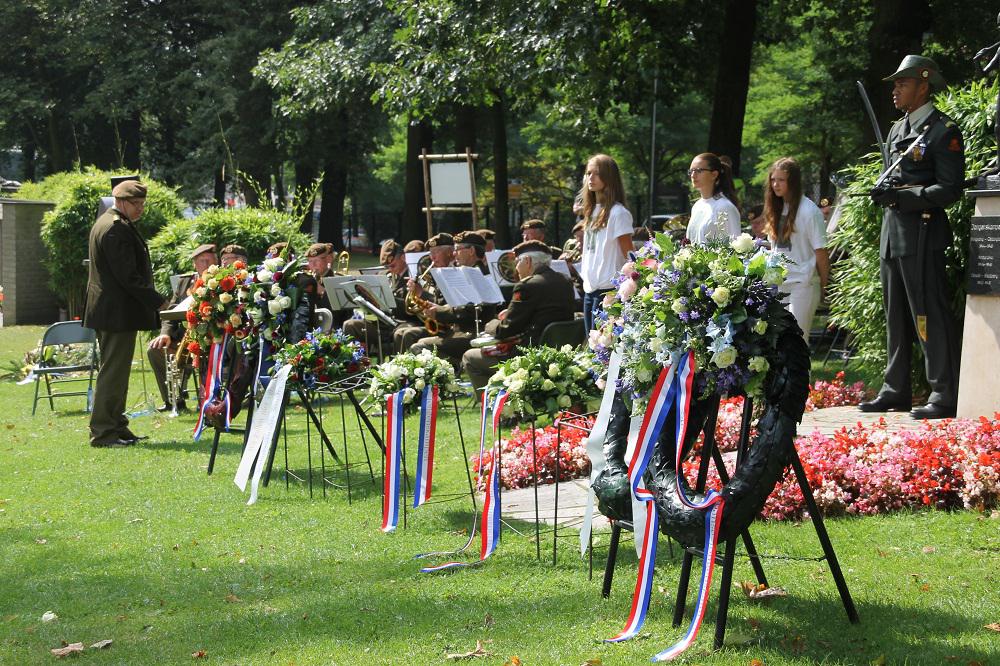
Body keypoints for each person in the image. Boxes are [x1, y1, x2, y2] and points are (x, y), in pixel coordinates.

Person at [859, 55, 964, 420]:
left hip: (922, 232)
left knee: (927, 313)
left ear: (923, 84)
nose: (895, 89)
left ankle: (944, 392)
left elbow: (950, 189)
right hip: (894, 233)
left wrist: (906, 197)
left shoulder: (942, 130)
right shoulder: (898, 130)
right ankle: (895, 389)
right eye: (895, 83)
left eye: (902, 83)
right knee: (896, 315)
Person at [83, 180, 168, 447]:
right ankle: (104, 432)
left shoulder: (111, 223)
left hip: (114, 312)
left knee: (117, 373)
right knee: (114, 373)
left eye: (143, 203)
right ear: (120, 201)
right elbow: (128, 277)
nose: (141, 208)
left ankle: (117, 426)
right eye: (136, 203)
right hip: (115, 313)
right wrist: (159, 302)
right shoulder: (114, 228)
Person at [462, 240, 577, 390]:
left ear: (527, 261)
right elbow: (543, 314)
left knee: (470, 357)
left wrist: (493, 323)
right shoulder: (565, 281)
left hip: (529, 356)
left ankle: (498, 409)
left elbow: (505, 330)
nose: (516, 268)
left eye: (517, 262)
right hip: (559, 355)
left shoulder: (528, 285)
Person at [761, 157, 830, 341]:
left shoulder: (810, 211)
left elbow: (821, 252)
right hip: (778, 283)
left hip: (803, 284)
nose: (775, 184)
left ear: (793, 181)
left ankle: (803, 372)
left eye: (781, 180)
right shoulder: (775, 208)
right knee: (779, 341)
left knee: (798, 341)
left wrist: (825, 285)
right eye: (773, 179)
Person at [146, 243, 219, 412]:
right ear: (194, 264)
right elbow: (171, 312)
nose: (207, 265)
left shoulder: (220, 281)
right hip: (186, 337)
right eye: (202, 261)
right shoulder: (186, 282)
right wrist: (165, 334)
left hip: (212, 337)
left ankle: (211, 398)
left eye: (210, 261)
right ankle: (173, 401)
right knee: (155, 350)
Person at [411, 231, 498, 366]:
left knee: (419, 347)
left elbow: (469, 311)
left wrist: (438, 311)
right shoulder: (466, 272)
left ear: (471, 251)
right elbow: (455, 303)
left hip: (472, 333)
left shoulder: (477, 275)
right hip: (460, 331)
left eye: (458, 249)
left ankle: (451, 370)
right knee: (420, 343)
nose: (454, 253)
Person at [579, 154, 633, 332]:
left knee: (604, 352)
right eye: (588, 173)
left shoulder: (619, 213)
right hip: (589, 289)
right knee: (592, 349)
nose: (590, 178)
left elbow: (630, 258)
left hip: (608, 291)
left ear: (608, 177)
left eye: (597, 173)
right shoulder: (591, 211)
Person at [343, 240, 414, 356]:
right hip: (382, 323)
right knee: (350, 325)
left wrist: (389, 301)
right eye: (386, 266)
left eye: (393, 265)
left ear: (403, 258)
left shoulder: (413, 276)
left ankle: (395, 370)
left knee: (400, 333)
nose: (390, 269)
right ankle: (354, 366)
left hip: (403, 322)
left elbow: (411, 308)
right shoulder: (384, 275)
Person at [394, 233, 455, 353]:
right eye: (431, 253)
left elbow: (444, 304)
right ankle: (399, 369)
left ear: (449, 252)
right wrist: (415, 293)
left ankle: (414, 369)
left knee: (409, 334)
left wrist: (421, 293)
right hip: (434, 322)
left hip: (448, 324)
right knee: (401, 333)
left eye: (436, 252)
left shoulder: (455, 273)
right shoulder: (434, 273)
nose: (432, 257)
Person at [685, 152, 741, 244]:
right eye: (691, 171)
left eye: (699, 170)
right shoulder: (697, 206)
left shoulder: (725, 207)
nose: (693, 175)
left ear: (714, 174)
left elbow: (734, 246)